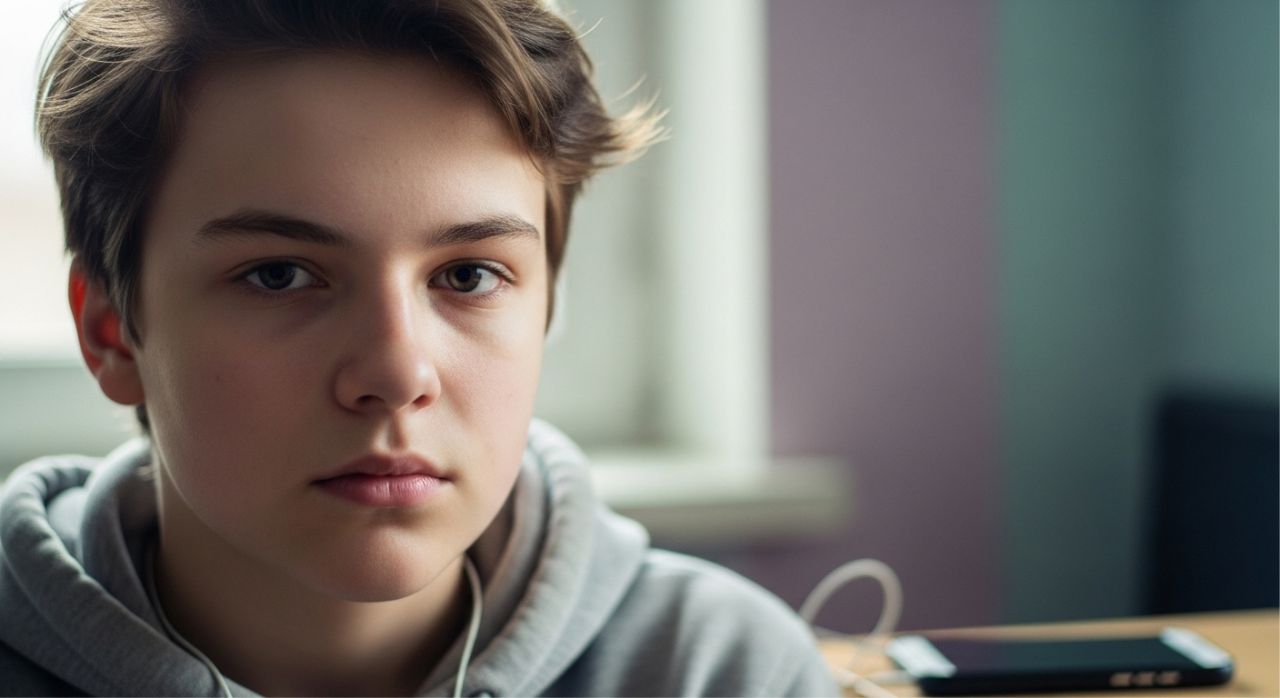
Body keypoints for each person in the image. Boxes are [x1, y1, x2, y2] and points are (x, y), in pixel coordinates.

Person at [0, 1, 839, 695]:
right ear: (110, 333)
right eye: (281, 276)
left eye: (469, 276)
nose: (397, 374)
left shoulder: (720, 671)